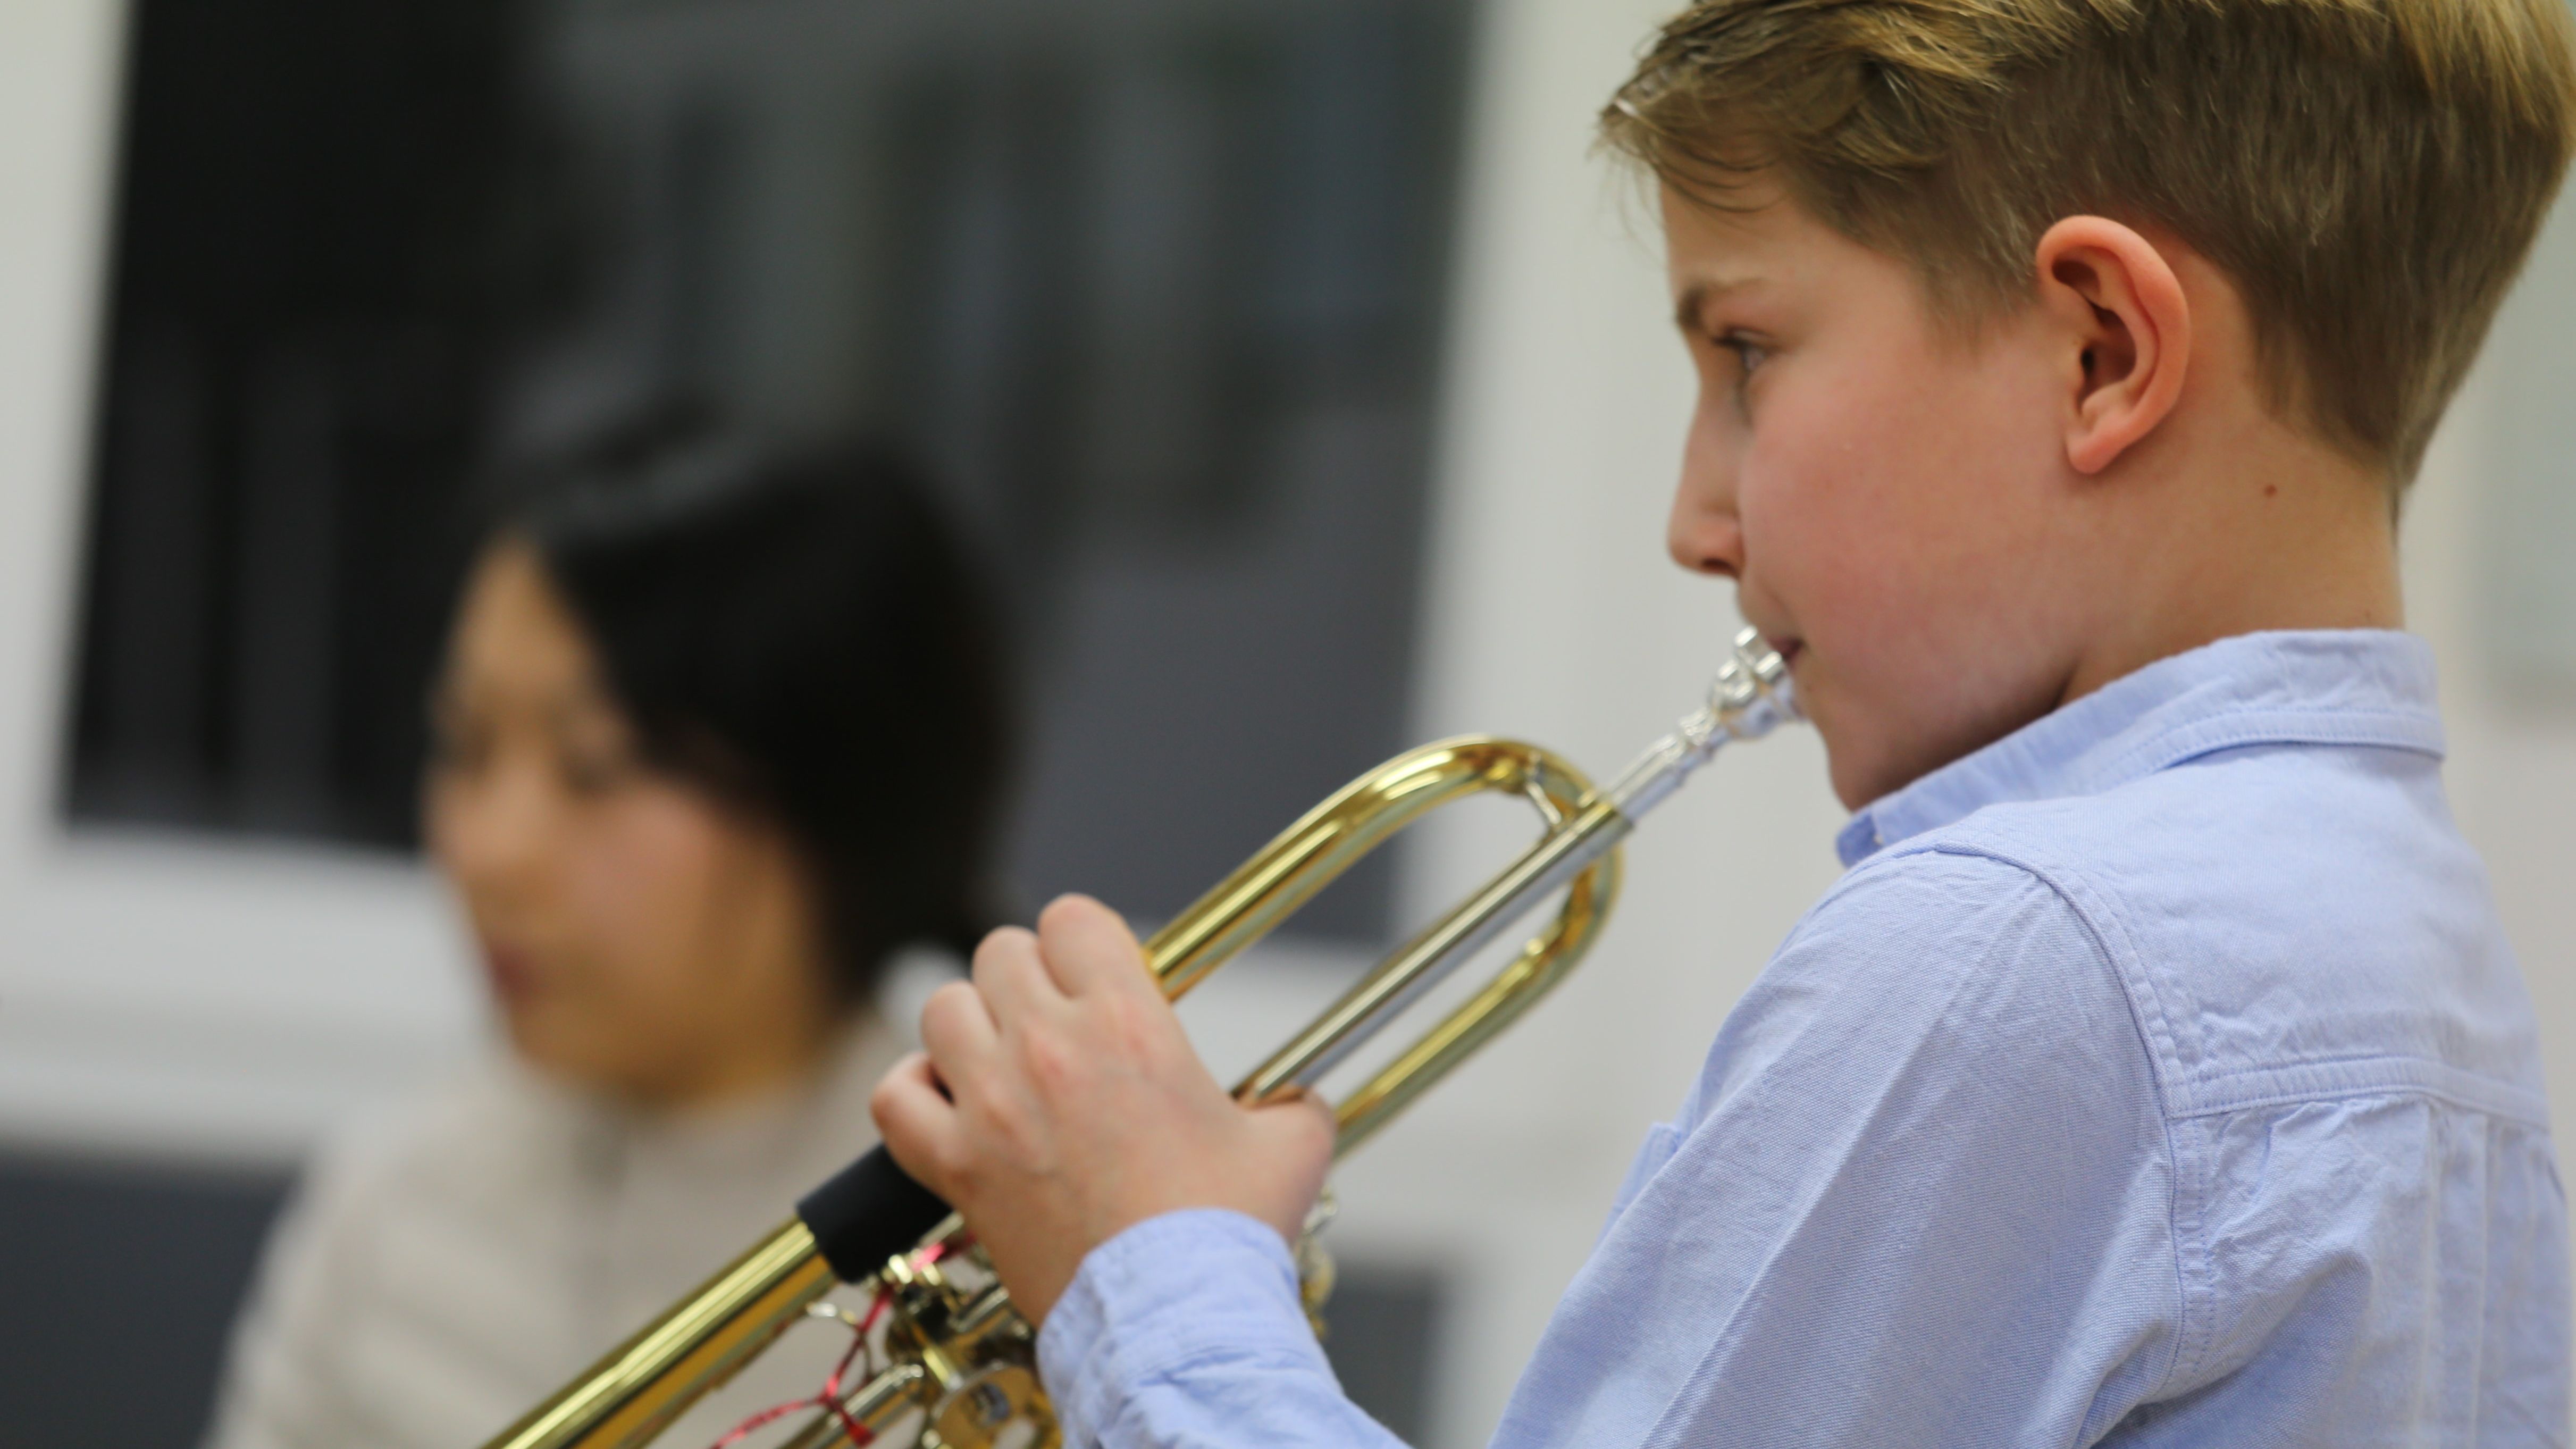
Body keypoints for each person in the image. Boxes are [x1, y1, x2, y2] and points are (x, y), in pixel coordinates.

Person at [867, 0, 2576, 1442]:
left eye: (1747, 352)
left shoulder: (2018, 949)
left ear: (2100, 353)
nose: (1694, 519)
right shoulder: (2409, 936)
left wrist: (1144, 1266)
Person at [205, 427, 1011, 1449]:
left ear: (834, 809)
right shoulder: (391, 1203)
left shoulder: (981, 1269)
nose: (489, 850)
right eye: (465, 744)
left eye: (594, 767)